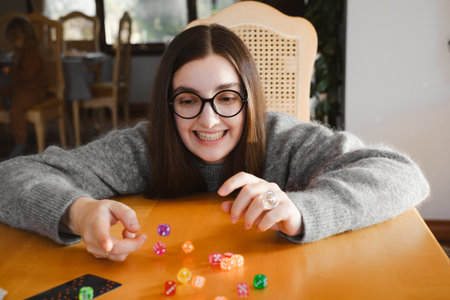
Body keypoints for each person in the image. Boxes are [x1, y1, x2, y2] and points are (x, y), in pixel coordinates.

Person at [0, 24, 429, 261]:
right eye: (188, 100)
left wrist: (304, 209)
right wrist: (78, 211)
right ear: (167, 104)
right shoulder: (142, 147)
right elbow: (12, 174)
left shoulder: (283, 140)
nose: (208, 120)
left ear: (251, 101)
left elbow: (402, 175)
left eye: (227, 98)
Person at [0, 16, 47, 158]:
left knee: (16, 107)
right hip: (24, 88)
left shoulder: (32, 52)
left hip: (35, 91)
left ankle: (20, 141)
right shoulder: (21, 52)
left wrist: (11, 71)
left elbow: (26, 75)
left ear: (25, 36)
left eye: (15, 40)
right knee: (7, 90)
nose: (14, 43)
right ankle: (8, 100)